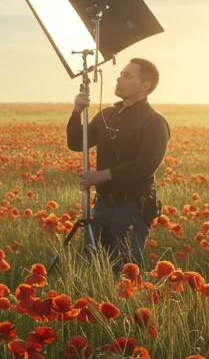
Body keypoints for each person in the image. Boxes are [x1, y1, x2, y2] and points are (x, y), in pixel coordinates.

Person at [68, 58, 169, 268]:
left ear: (145, 86)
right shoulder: (108, 115)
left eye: (127, 75)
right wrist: (77, 110)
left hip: (131, 207)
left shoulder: (154, 121)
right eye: (121, 73)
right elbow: (77, 142)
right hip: (103, 205)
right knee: (93, 264)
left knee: (123, 270)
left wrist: (101, 175)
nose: (119, 78)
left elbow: (147, 163)